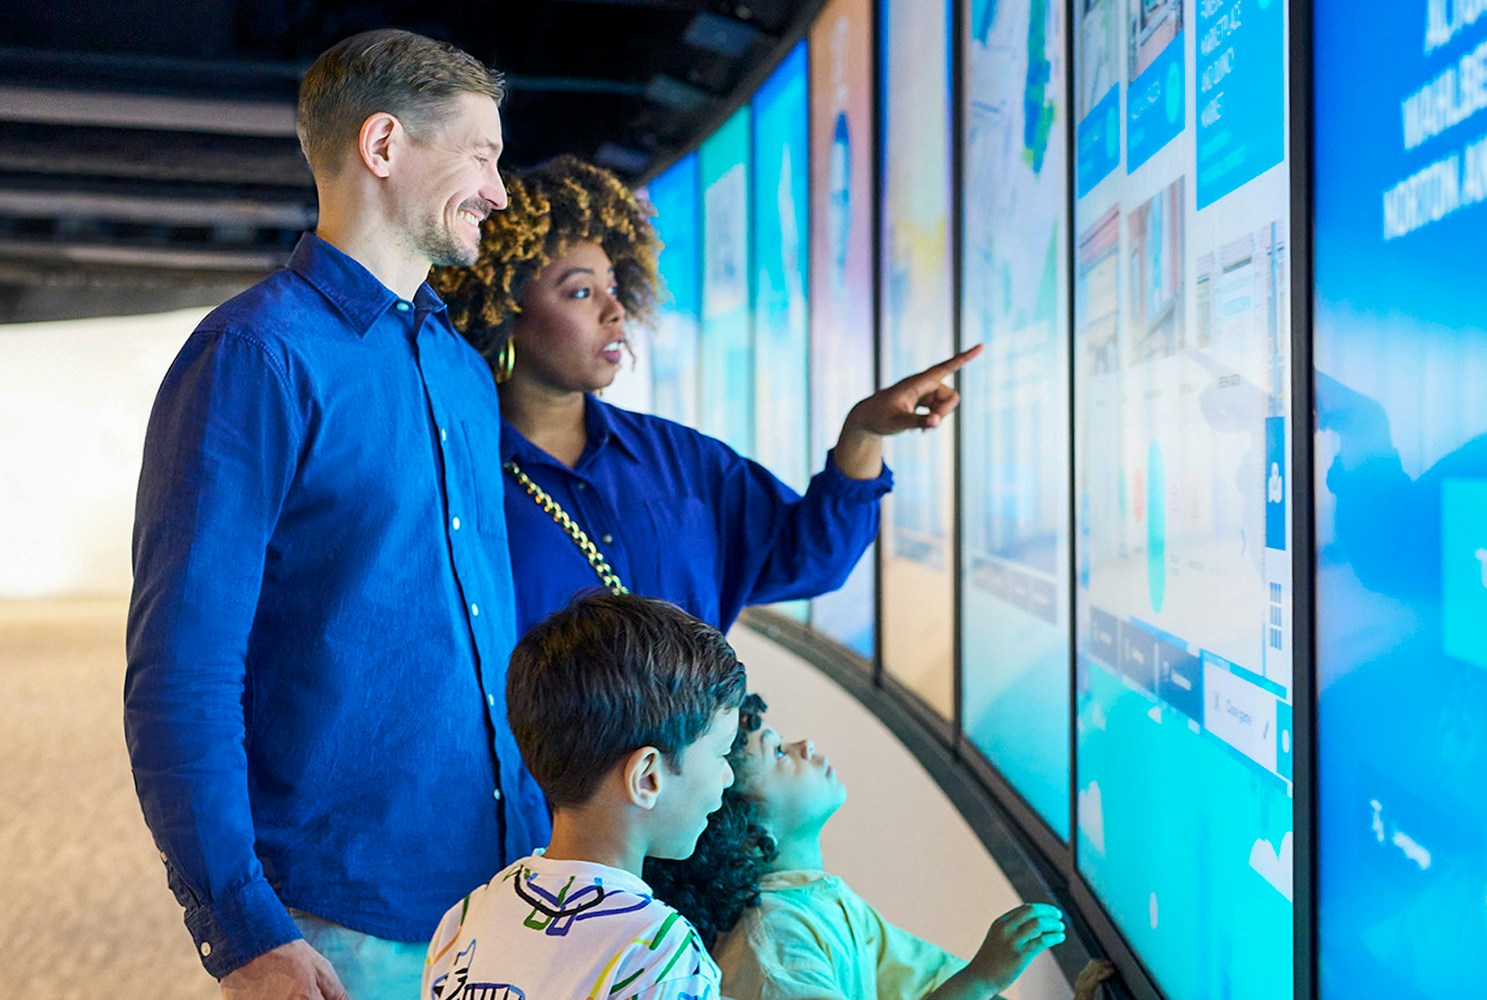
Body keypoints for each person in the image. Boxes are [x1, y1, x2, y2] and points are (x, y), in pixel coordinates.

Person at [124, 29, 541, 999]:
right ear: (384, 146)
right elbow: (182, 671)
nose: (499, 190)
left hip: (501, 902)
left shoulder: (462, 373)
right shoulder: (253, 359)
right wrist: (240, 925)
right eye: (481, 155)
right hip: (339, 925)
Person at [431, 155, 982, 640]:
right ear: (502, 309)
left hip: (686, 760)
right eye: (580, 291)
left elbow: (808, 559)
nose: (614, 310)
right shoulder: (452, 475)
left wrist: (861, 432)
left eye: (614, 288)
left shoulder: (681, 460)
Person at [644, 695, 1114, 1000]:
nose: (806, 745)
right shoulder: (777, 945)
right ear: (745, 829)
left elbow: (922, 981)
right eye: (780, 754)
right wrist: (983, 978)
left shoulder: (816, 898)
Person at [420, 593, 747, 999]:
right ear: (647, 777)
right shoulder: (659, 955)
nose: (728, 777)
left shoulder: (464, 921)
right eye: (721, 752)